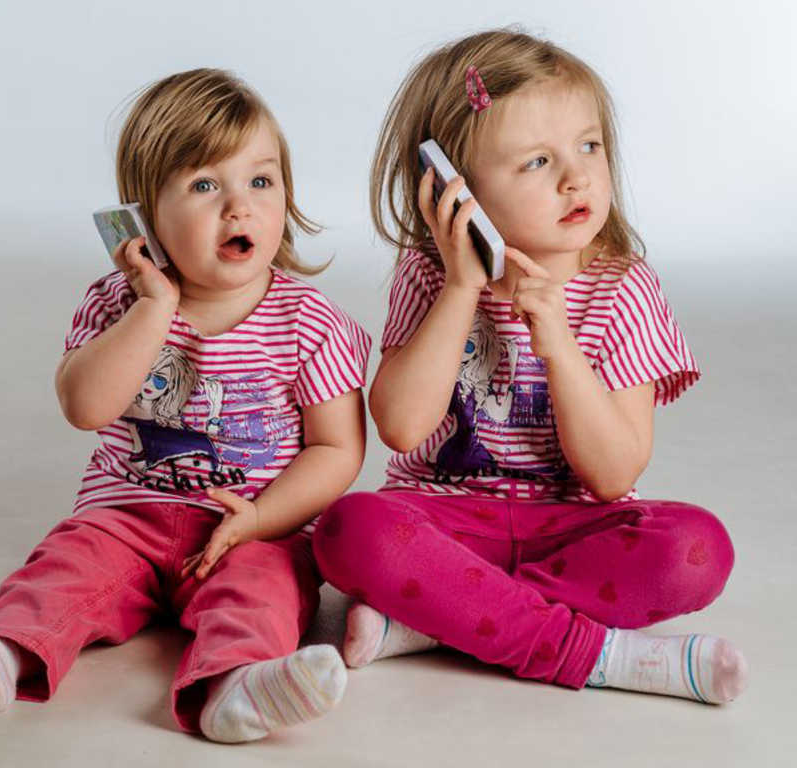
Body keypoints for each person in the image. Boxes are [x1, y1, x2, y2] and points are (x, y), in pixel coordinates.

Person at [0, 68, 372, 742]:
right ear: (144, 216)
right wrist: (155, 306)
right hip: (124, 517)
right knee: (64, 573)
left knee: (264, 590)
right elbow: (85, 407)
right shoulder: (118, 303)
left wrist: (262, 518)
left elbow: (337, 448)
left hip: (251, 526)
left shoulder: (309, 321)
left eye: (261, 181)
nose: (240, 208)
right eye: (205, 186)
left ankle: (237, 683)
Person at [313, 29, 748, 705]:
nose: (577, 177)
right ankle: (600, 655)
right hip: (445, 521)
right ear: (452, 188)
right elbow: (400, 427)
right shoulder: (429, 275)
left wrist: (559, 344)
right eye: (538, 161)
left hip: (572, 528)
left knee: (698, 549)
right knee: (347, 529)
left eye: (589, 146)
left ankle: (438, 620)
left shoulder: (623, 287)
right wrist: (462, 288)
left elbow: (613, 475)